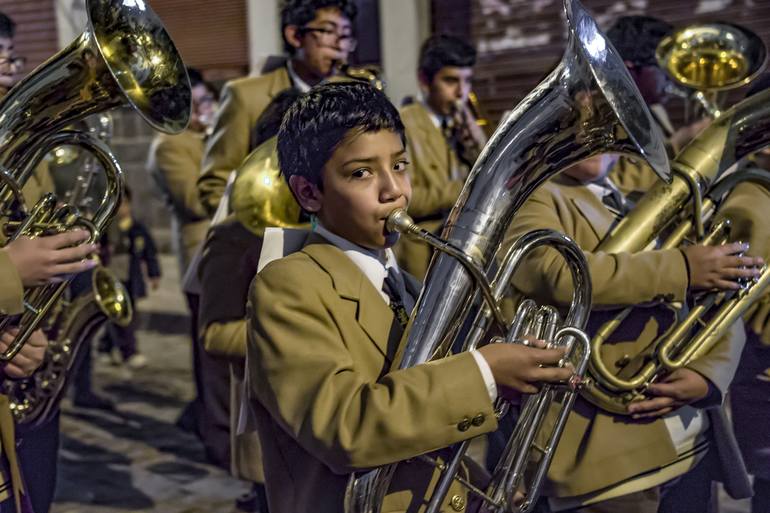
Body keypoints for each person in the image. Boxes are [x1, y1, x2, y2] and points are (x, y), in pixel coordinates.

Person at [243, 81, 575, 513]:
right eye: (361, 173)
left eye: (399, 166)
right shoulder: (289, 285)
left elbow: (425, 430)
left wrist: (481, 483)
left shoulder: (409, 283)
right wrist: (485, 372)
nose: (393, 190)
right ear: (309, 193)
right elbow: (346, 428)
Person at [504, 154, 756, 513]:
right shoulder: (534, 196)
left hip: (690, 440)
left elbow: (718, 303)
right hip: (607, 465)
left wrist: (710, 373)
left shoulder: (635, 196)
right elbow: (555, 274)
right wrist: (682, 267)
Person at [197, 0, 358, 216]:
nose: (340, 45)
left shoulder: (352, 94)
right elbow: (214, 185)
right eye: (328, 31)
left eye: (346, 35)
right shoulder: (245, 95)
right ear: (294, 36)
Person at [146, 66, 224, 454]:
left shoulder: (213, 138)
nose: (205, 110)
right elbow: (195, 201)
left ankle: (205, 419)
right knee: (208, 352)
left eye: (209, 100)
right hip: (202, 254)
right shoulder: (170, 145)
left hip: (228, 248)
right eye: (196, 105)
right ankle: (213, 434)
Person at [396, 34, 487, 279]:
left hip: (458, 249)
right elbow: (406, 199)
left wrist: (477, 145)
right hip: (421, 257)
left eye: (467, 81)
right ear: (424, 80)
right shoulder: (403, 124)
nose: (462, 93)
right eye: (451, 81)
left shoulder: (459, 124)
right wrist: (466, 189)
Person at [98, 187, 160, 368]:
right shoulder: (107, 228)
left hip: (130, 280)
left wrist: (153, 274)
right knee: (114, 315)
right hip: (111, 278)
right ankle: (124, 351)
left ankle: (115, 348)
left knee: (127, 315)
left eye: (123, 203)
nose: (120, 208)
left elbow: (150, 253)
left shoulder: (138, 228)